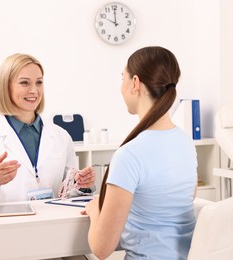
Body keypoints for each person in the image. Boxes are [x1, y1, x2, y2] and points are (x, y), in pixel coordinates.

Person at [84, 46, 198, 260]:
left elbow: (101, 248)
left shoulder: (130, 154)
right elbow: (188, 196)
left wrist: (94, 210)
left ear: (135, 83)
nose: (121, 87)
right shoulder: (185, 142)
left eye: (122, 78)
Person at [0, 53, 95, 206]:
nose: (34, 90)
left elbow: (67, 193)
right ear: (6, 86)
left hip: (52, 225)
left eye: (39, 82)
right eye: (24, 83)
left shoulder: (61, 136)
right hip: (5, 226)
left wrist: (82, 185)